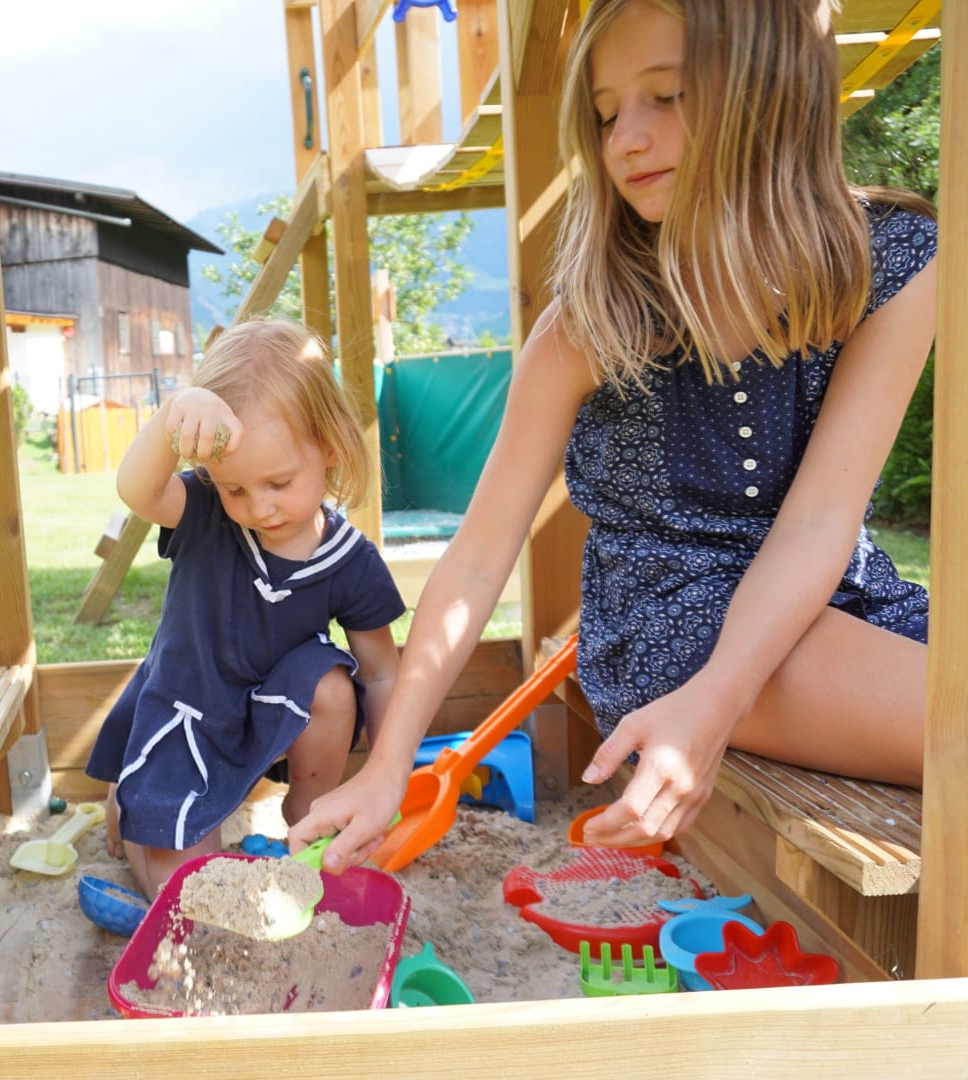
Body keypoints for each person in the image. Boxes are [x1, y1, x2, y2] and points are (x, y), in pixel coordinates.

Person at [292, 0, 937, 871]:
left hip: (836, 588)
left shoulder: (892, 260)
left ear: (771, 88)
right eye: (605, 114)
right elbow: (478, 559)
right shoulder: (591, 319)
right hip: (673, 620)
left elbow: (821, 522)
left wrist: (715, 710)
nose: (626, 139)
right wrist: (389, 763)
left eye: (666, 96)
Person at [86, 319, 405, 899]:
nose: (259, 507)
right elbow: (137, 489)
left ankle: (308, 816)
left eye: (279, 483)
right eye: (236, 488)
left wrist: (388, 774)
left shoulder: (350, 561)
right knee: (188, 890)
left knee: (334, 685)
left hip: (269, 714)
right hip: (188, 714)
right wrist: (176, 411)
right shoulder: (205, 512)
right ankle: (134, 807)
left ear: (329, 448)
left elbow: (383, 673)